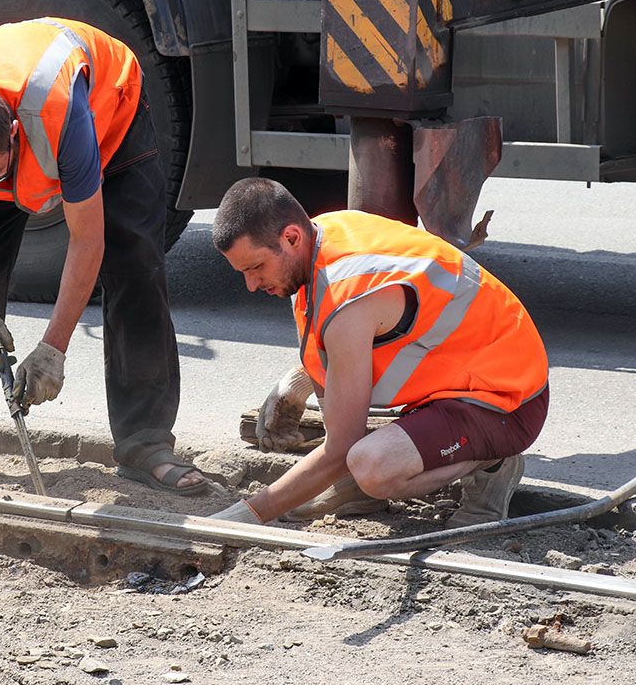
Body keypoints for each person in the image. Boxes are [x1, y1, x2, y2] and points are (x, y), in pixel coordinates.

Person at [0, 17, 205, 495]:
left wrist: (52, 349)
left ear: (14, 134)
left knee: (135, 263)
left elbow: (88, 240)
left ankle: (146, 445)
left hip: (109, 113)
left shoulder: (62, 115)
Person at [209, 177, 548, 526]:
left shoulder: (350, 296)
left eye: (255, 268)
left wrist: (247, 515)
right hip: (461, 382)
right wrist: (296, 384)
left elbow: (341, 448)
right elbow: (331, 350)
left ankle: (492, 463)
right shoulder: (322, 235)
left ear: (291, 238)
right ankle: (351, 484)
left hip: (509, 403)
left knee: (373, 466)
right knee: (355, 455)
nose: (250, 285)